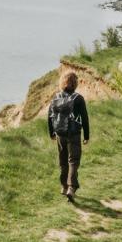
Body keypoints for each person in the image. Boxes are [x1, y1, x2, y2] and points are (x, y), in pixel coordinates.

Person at [48, 71, 89, 202]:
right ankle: (71, 188)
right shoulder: (78, 98)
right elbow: (84, 118)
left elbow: (50, 117)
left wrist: (52, 132)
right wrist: (86, 135)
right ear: (75, 83)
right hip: (74, 134)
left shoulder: (56, 97)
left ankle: (63, 187)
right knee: (73, 161)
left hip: (60, 134)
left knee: (63, 161)